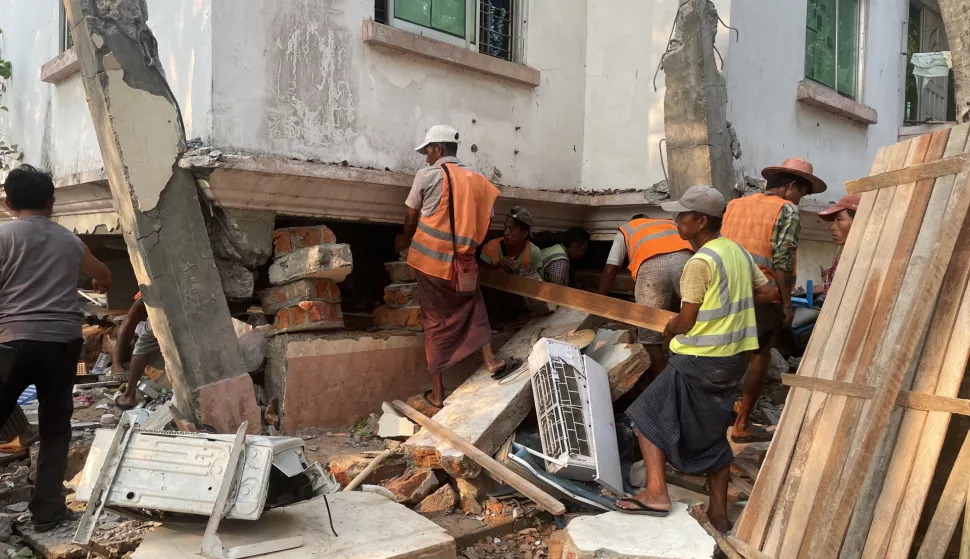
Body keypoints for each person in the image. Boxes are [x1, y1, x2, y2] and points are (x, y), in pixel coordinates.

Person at [617, 186, 777, 532]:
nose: (676, 221)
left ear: (700, 221)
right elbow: (768, 291)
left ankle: (656, 493)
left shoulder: (700, 262)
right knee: (712, 431)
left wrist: (670, 328)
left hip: (699, 359)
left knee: (645, 414)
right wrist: (732, 301)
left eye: (682, 215)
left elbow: (686, 320)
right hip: (733, 360)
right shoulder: (736, 252)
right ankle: (718, 512)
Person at [0, 165, 112, 531]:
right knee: (55, 428)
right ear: (52, 202)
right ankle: (48, 512)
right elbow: (104, 275)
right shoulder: (70, 241)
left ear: (8, 202)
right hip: (62, 344)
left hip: (11, 341)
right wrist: (98, 281)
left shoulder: (2, 235)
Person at [396, 125, 510, 410]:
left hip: (431, 265)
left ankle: (437, 394)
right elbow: (487, 219)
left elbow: (411, 216)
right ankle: (490, 360)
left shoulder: (428, 176)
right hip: (464, 263)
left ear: (439, 149)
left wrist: (404, 239)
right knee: (474, 306)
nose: (426, 158)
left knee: (435, 322)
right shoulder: (478, 180)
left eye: (428, 151)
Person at [722, 157, 826, 443]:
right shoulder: (787, 210)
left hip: (724, 289)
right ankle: (741, 425)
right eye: (802, 193)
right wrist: (785, 304)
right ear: (792, 186)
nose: (801, 200)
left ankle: (717, 417)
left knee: (725, 354)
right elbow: (782, 259)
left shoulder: (734, 205)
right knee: (759, 355)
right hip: (761, 293)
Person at [599, 215, 694, 379]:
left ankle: (661, 383)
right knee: (696, 322)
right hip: (687, 261)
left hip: (652, 268)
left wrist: (600, 303)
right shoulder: (668, 222)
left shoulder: (627, 228)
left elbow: (610, 269)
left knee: (650, 337)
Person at [111, 293, 165, 410]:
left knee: (146, 340)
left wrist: (116, 364)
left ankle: (128, 395)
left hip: (166, 304)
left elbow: (129, 324)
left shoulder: (151, 293)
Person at [818, 194, 861, 295]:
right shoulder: (842, 257)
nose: (833, 227)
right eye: (834, 220)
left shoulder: (866, 261)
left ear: (858, 221)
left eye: (839, 219)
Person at [480, 206, 542, 275]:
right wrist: (496, 266)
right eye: (505, 227)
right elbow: (480, 274)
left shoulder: (534, 253)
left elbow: (536, 279)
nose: (506, 232)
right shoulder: (491, 247)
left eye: (512, 229)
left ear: (524, 234)